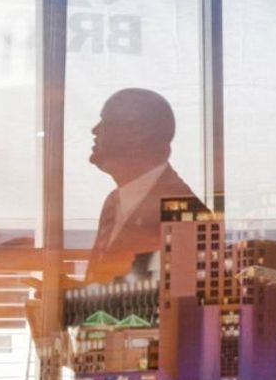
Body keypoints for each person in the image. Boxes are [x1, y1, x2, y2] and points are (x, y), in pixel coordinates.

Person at [84, 88, 204, 285]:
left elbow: (175, 304)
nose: (95, 130)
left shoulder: (183, 213)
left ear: (135, 133)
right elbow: (108, 286)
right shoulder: (114, 202)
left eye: (106, 122)